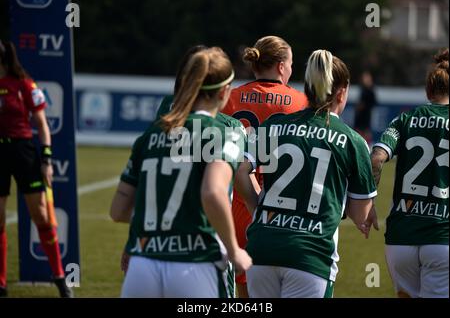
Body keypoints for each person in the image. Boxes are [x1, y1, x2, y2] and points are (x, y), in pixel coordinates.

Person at [110, 47, 252, 297]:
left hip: (144, 263)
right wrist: (234, 249)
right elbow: (212, 192)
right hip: (196, 262)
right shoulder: (226, 132)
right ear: (223, 91)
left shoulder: (151, 135)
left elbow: (118, 211)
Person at [236, 49, 377, 298]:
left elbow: (240, 170)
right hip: (310, 255)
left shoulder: (274, 126)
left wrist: (257, 208)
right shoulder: (353, 141)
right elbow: (359, 214)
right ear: (342, 92)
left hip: (262, 249)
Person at [221, 35, 308, 297]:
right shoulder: (301, 102)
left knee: (245, 290)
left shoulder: (231, 98)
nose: (292, 69)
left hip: (237, 201)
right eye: (291, 63)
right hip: (282, 203)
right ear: (281, 66)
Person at [370, 48, 449, 298]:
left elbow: (376, 159)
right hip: (442, 236)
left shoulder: (405, 119)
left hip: (401, 239)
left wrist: (368, 203)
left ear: (427, 90)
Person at [0, 40, 72, 297]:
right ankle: (1, 284)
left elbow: (42, 125)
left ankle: (60, 277)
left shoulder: (24, 84)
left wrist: (46, 160)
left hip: (23, 152)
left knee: (41, 215)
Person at [354, 71, 377, 144]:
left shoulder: (371, 90)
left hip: (366, 116)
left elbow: (374, 102)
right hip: (359, 117)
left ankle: (367, 146)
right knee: (358, 133)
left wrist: (364, 105)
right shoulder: (362, 89)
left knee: (366, 133)